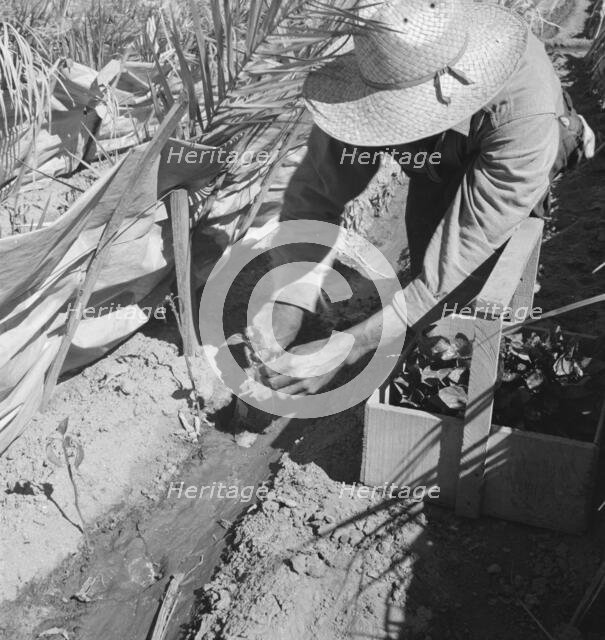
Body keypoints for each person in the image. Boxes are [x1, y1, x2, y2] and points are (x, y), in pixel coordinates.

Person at [248, 0, 595, 396]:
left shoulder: (521, 117)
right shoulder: (377, 65)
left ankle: (576, 135)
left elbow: (460, 260)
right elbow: (317, 194)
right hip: (439, 159)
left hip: (513, 146)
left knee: (466, 311)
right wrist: (291, 299)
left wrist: (352, 344)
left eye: (401, 118)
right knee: (425, 267)